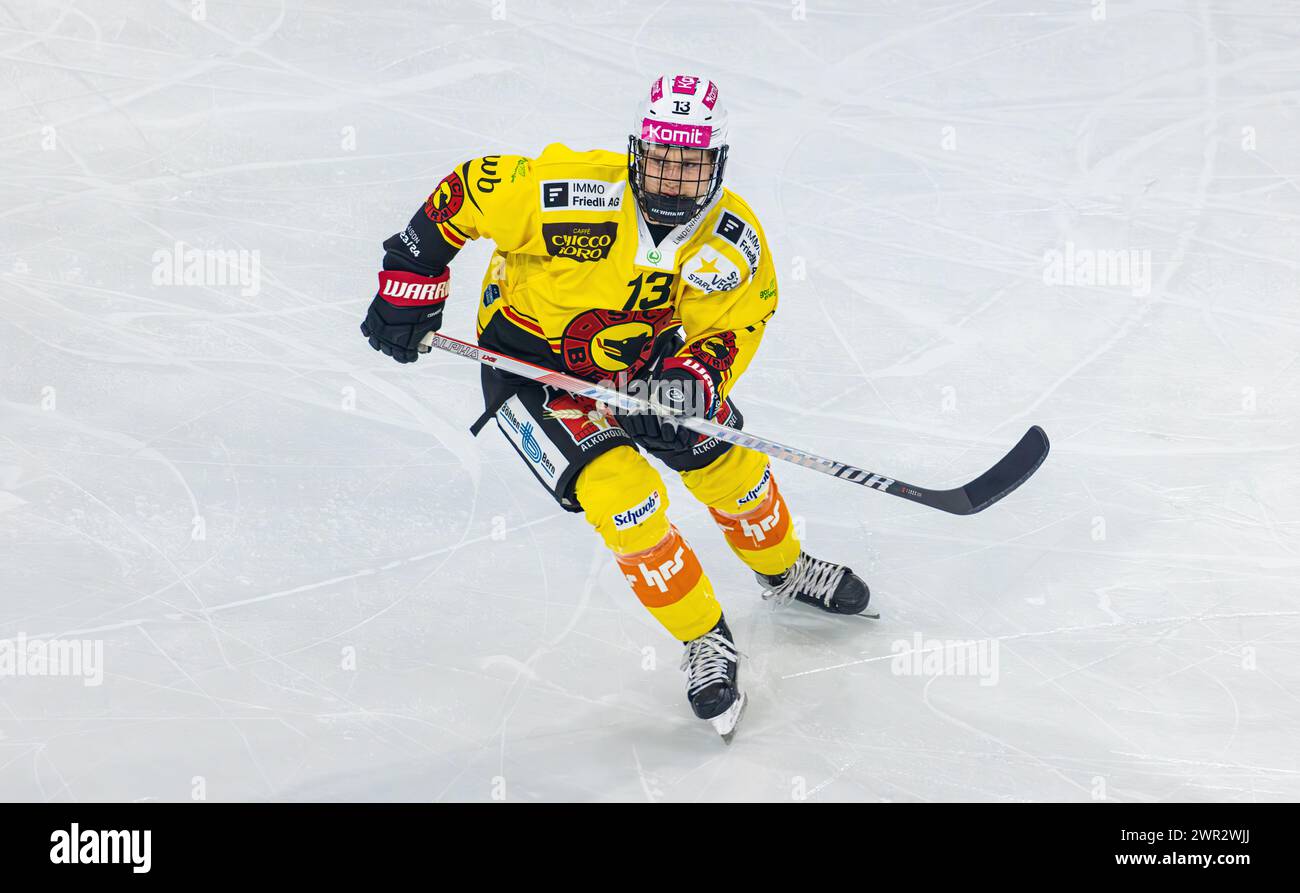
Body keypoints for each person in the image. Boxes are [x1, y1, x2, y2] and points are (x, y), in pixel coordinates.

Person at [360, 73, 869, 739]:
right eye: (660, 159)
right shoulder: (572, 195)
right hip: (530, 369)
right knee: (625, 501)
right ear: (636, 151)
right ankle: (705, 636)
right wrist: (411, 277)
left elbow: (739, 319)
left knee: (729, 465)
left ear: (716, 162)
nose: (670, 178)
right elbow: (468, 189)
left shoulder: (731, 238)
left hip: (641, 363)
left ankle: (783, 569)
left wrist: (695, 375)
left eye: (689, 164)